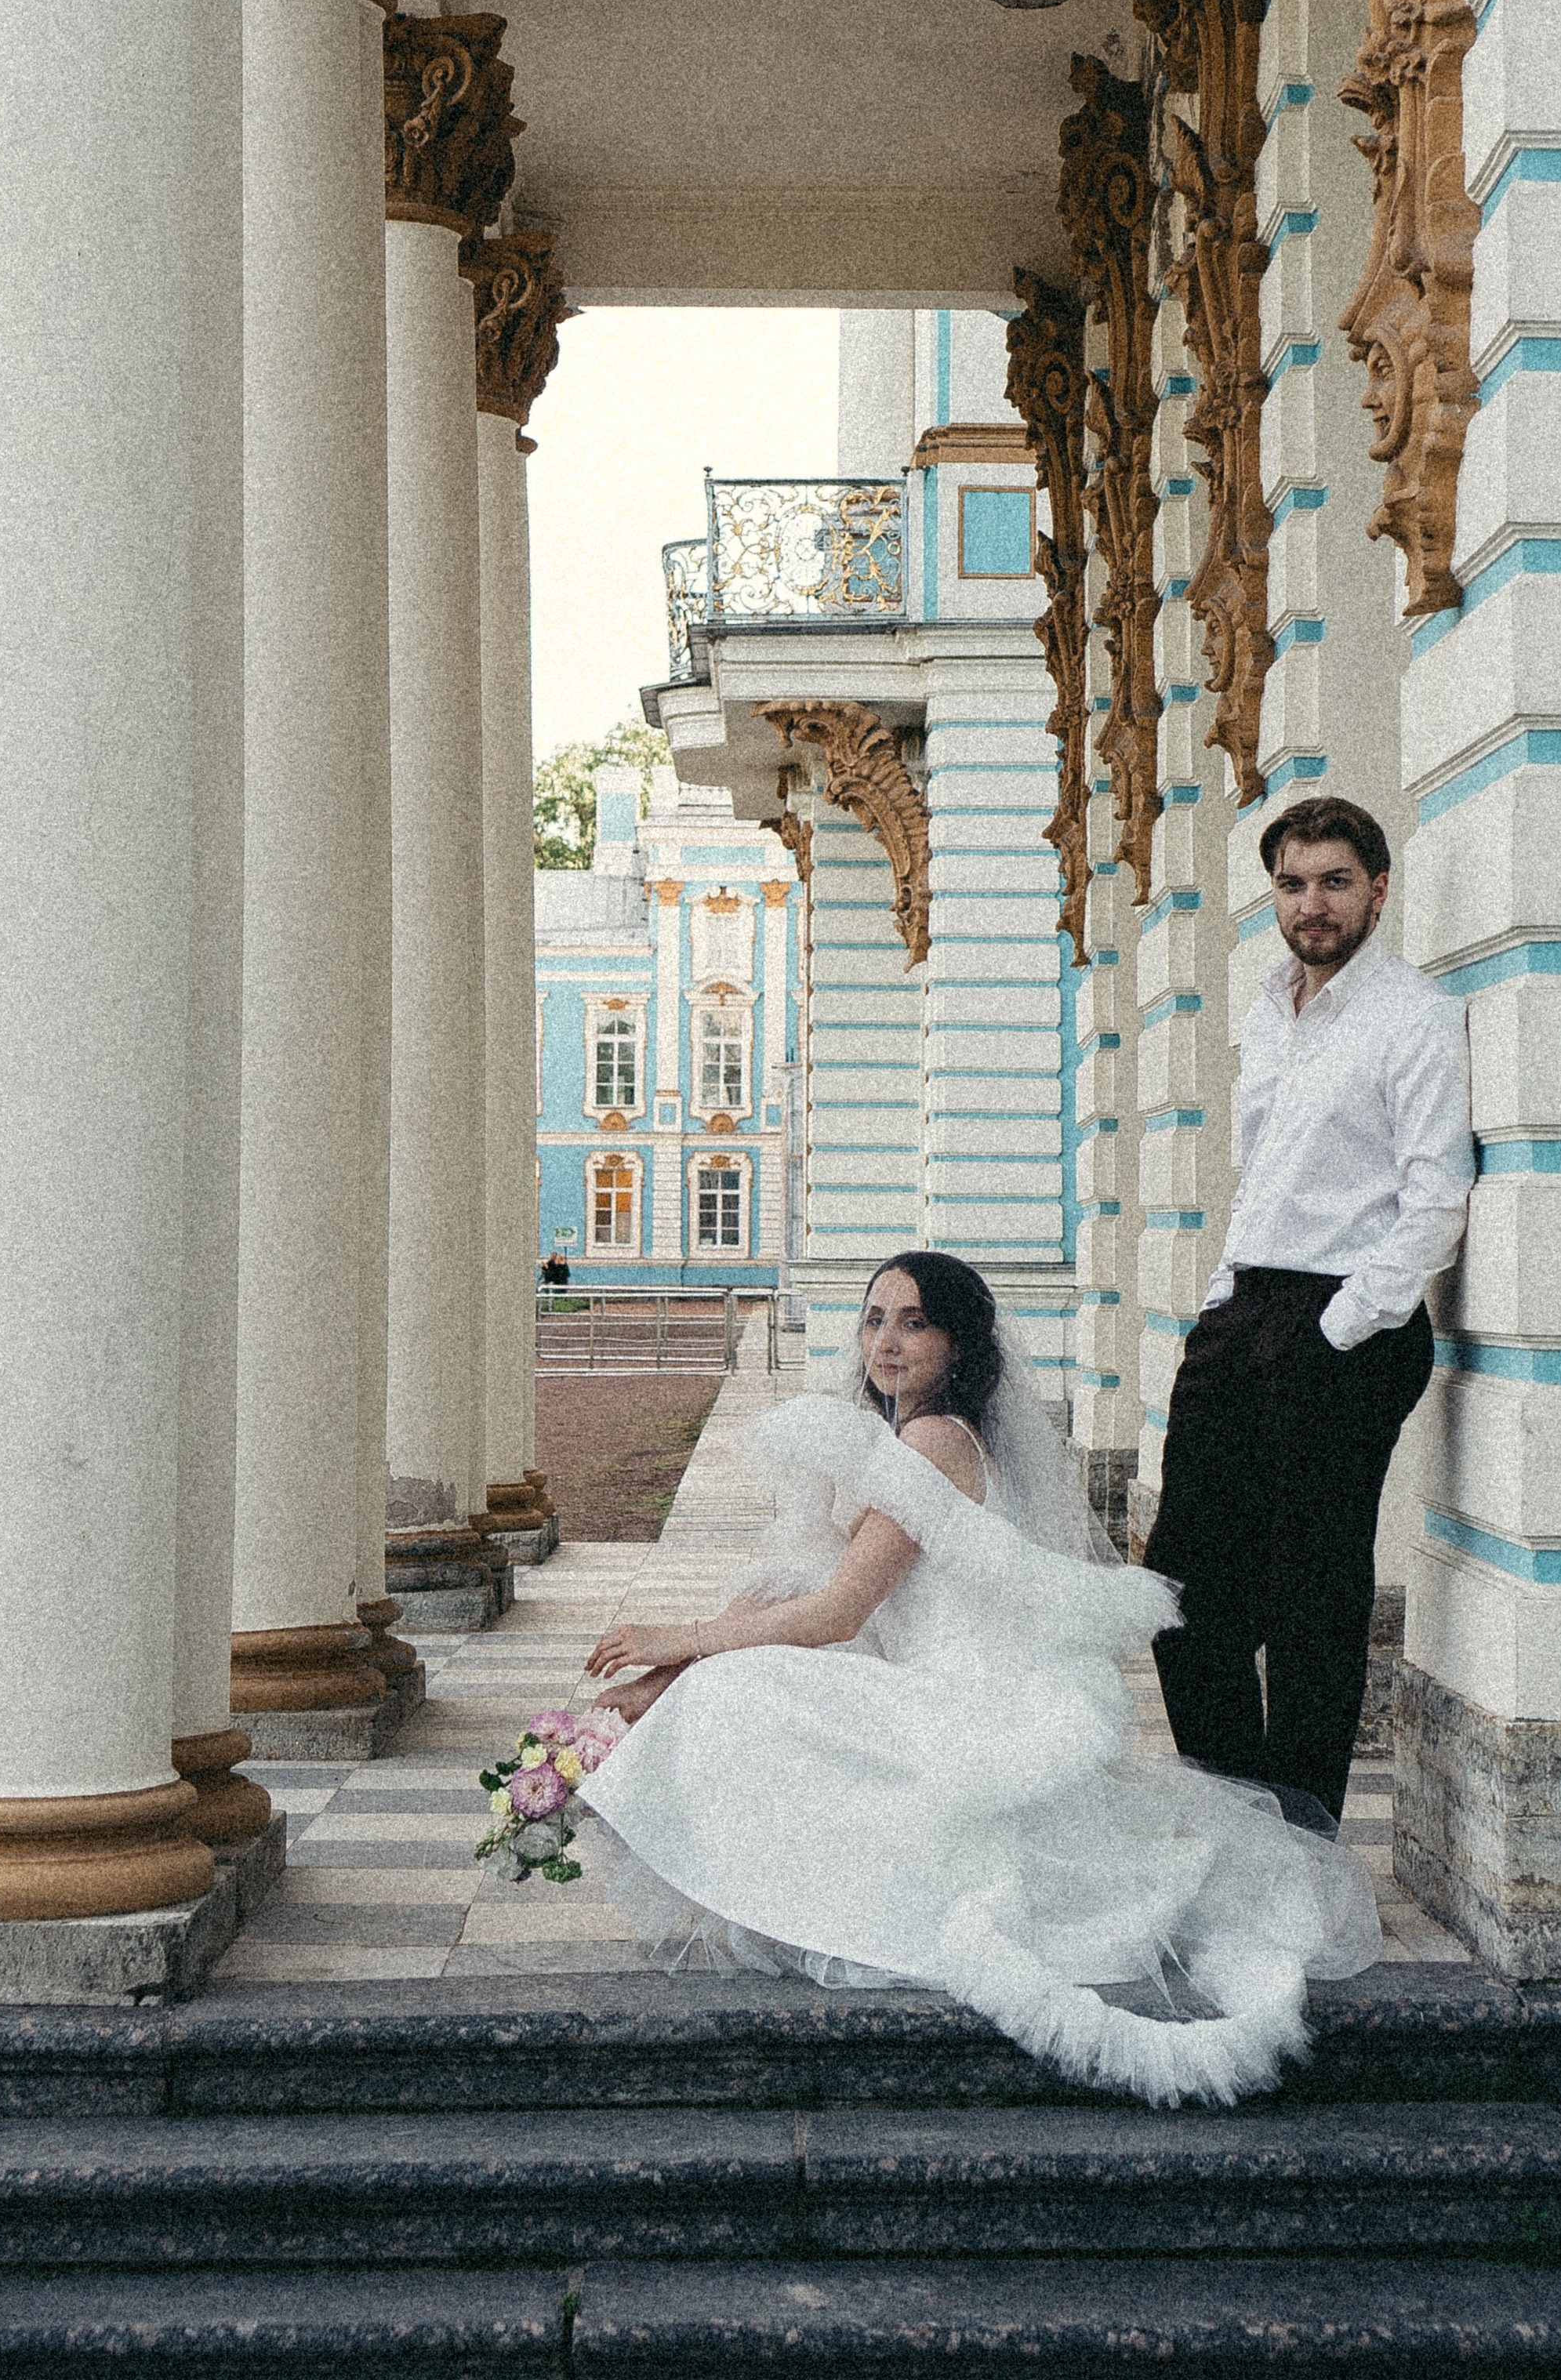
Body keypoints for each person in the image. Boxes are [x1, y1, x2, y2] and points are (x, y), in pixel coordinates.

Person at [577, 1249, 1378, 2106]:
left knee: (740, 1691)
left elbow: (839, 1614)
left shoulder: (931, 1441)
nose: (886, 1342)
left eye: (914, 1323)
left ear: (958, 1346)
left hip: (960, 1702)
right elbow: (815, 1599)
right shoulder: (908, 1436)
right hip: (922, 1683)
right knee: (740, 1682)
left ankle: (804, 1903)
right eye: (875, 1318)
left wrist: (677, 1641)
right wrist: (676, 1669)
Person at [1143, 794, 1474, 1837]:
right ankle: (1241, 1823)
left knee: (1311, 1608)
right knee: (1181, 1602)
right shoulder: (1267, 1008)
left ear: (1379, 888)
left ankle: (1301, 1847)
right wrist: (1221, 1302)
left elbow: (1436, 1199)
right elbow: (1263, 1176)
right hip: (1249, 1308)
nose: (1312, 905)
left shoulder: (1412, 1017)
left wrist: (1342, 1326)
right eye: (1292, 884)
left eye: (1334, 882)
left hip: (1347, 1326)